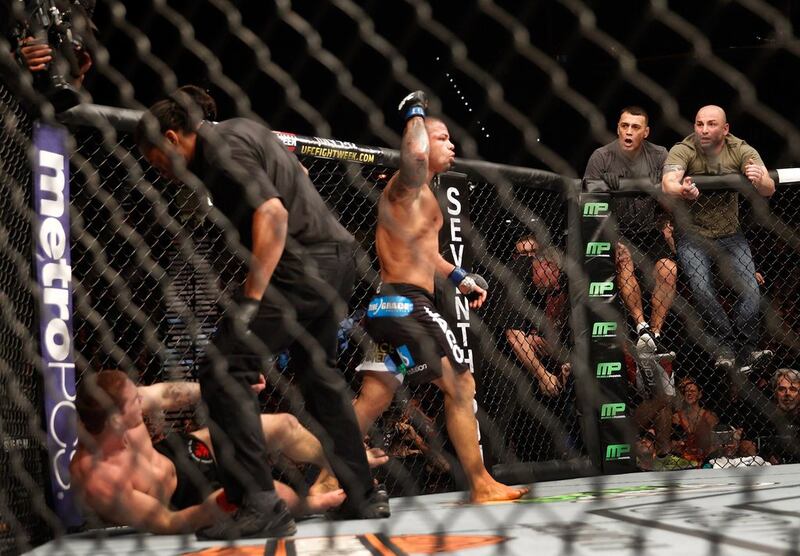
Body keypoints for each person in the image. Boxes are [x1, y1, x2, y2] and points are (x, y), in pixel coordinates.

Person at [135, 86, 385, 539]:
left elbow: (271, 212)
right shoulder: (244, 130)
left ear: (172, 137)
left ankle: (258, 503)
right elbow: (296, 171)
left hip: (302, 266)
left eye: (155, 159)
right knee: (318, 373)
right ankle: (363, 495)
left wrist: (250, 304)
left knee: (220, 368)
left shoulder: (217, 149)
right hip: (338, 258)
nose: (161, 172)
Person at [353, 90, 528, 503]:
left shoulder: (423, 195)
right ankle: (482, 484)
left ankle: (327, 477)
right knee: (461, 384)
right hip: (409, 306)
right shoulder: (407, 182)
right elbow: (413, 155)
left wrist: (461, 277)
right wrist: (416, 112)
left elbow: (425, 253)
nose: (452, 146)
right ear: (421, 143)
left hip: (386, 308)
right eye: (443, 138)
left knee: (372, 399)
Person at [70, 370, 350, 534]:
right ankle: (313, 503)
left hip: (176, 453)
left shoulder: (115, 403)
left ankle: (347, 463)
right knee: (269, 494)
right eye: (135, 401)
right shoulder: (97, 479)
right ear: (116, 419)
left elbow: (167, 394)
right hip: (184, 501)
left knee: (285, 425)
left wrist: (221, 389)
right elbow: (168, 521)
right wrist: (221, 503)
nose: (142, 399)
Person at [662, 105, 775, 373]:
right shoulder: (685, 148)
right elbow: (668, 183)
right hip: (693, 235)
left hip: (730, 233)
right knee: (701, 290)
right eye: (699, 123)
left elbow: (769, 188)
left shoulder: (739, 149)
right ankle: (725, 346)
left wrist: (759, 180)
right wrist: (682, 190)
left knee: (752, 291)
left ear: (725, 129)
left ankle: (746, 350)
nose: (703, 129)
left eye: (711, 124)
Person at [584, 106, 676, 360]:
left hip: (648, 229)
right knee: (625, 261)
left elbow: (671, 204)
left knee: (669, 270)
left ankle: (654, 335)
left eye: (635, 127)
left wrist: (655, 188)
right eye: (624, 126)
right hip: (616, 230)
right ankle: (641, 326)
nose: (628, 131)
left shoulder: (659, 155)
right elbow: (588, 205)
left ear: (645, 132)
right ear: (618, 128)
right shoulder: (602, 157)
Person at [504, 234, 571, 397]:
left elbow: (547, 332)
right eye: (523, 256)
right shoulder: (516, 280)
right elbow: (514, 336)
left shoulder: (544, 289)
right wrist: (544, 376)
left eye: (533, 254)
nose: (528, 260)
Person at [671, 377, 718, 464]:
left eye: (692, 391)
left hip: (706, 458)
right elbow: (673, 443)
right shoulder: (676, 417)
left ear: (699, 395)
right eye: (686, 392)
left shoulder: (709, 416)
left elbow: (715, 442)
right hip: (683, 459)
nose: (689, 394)